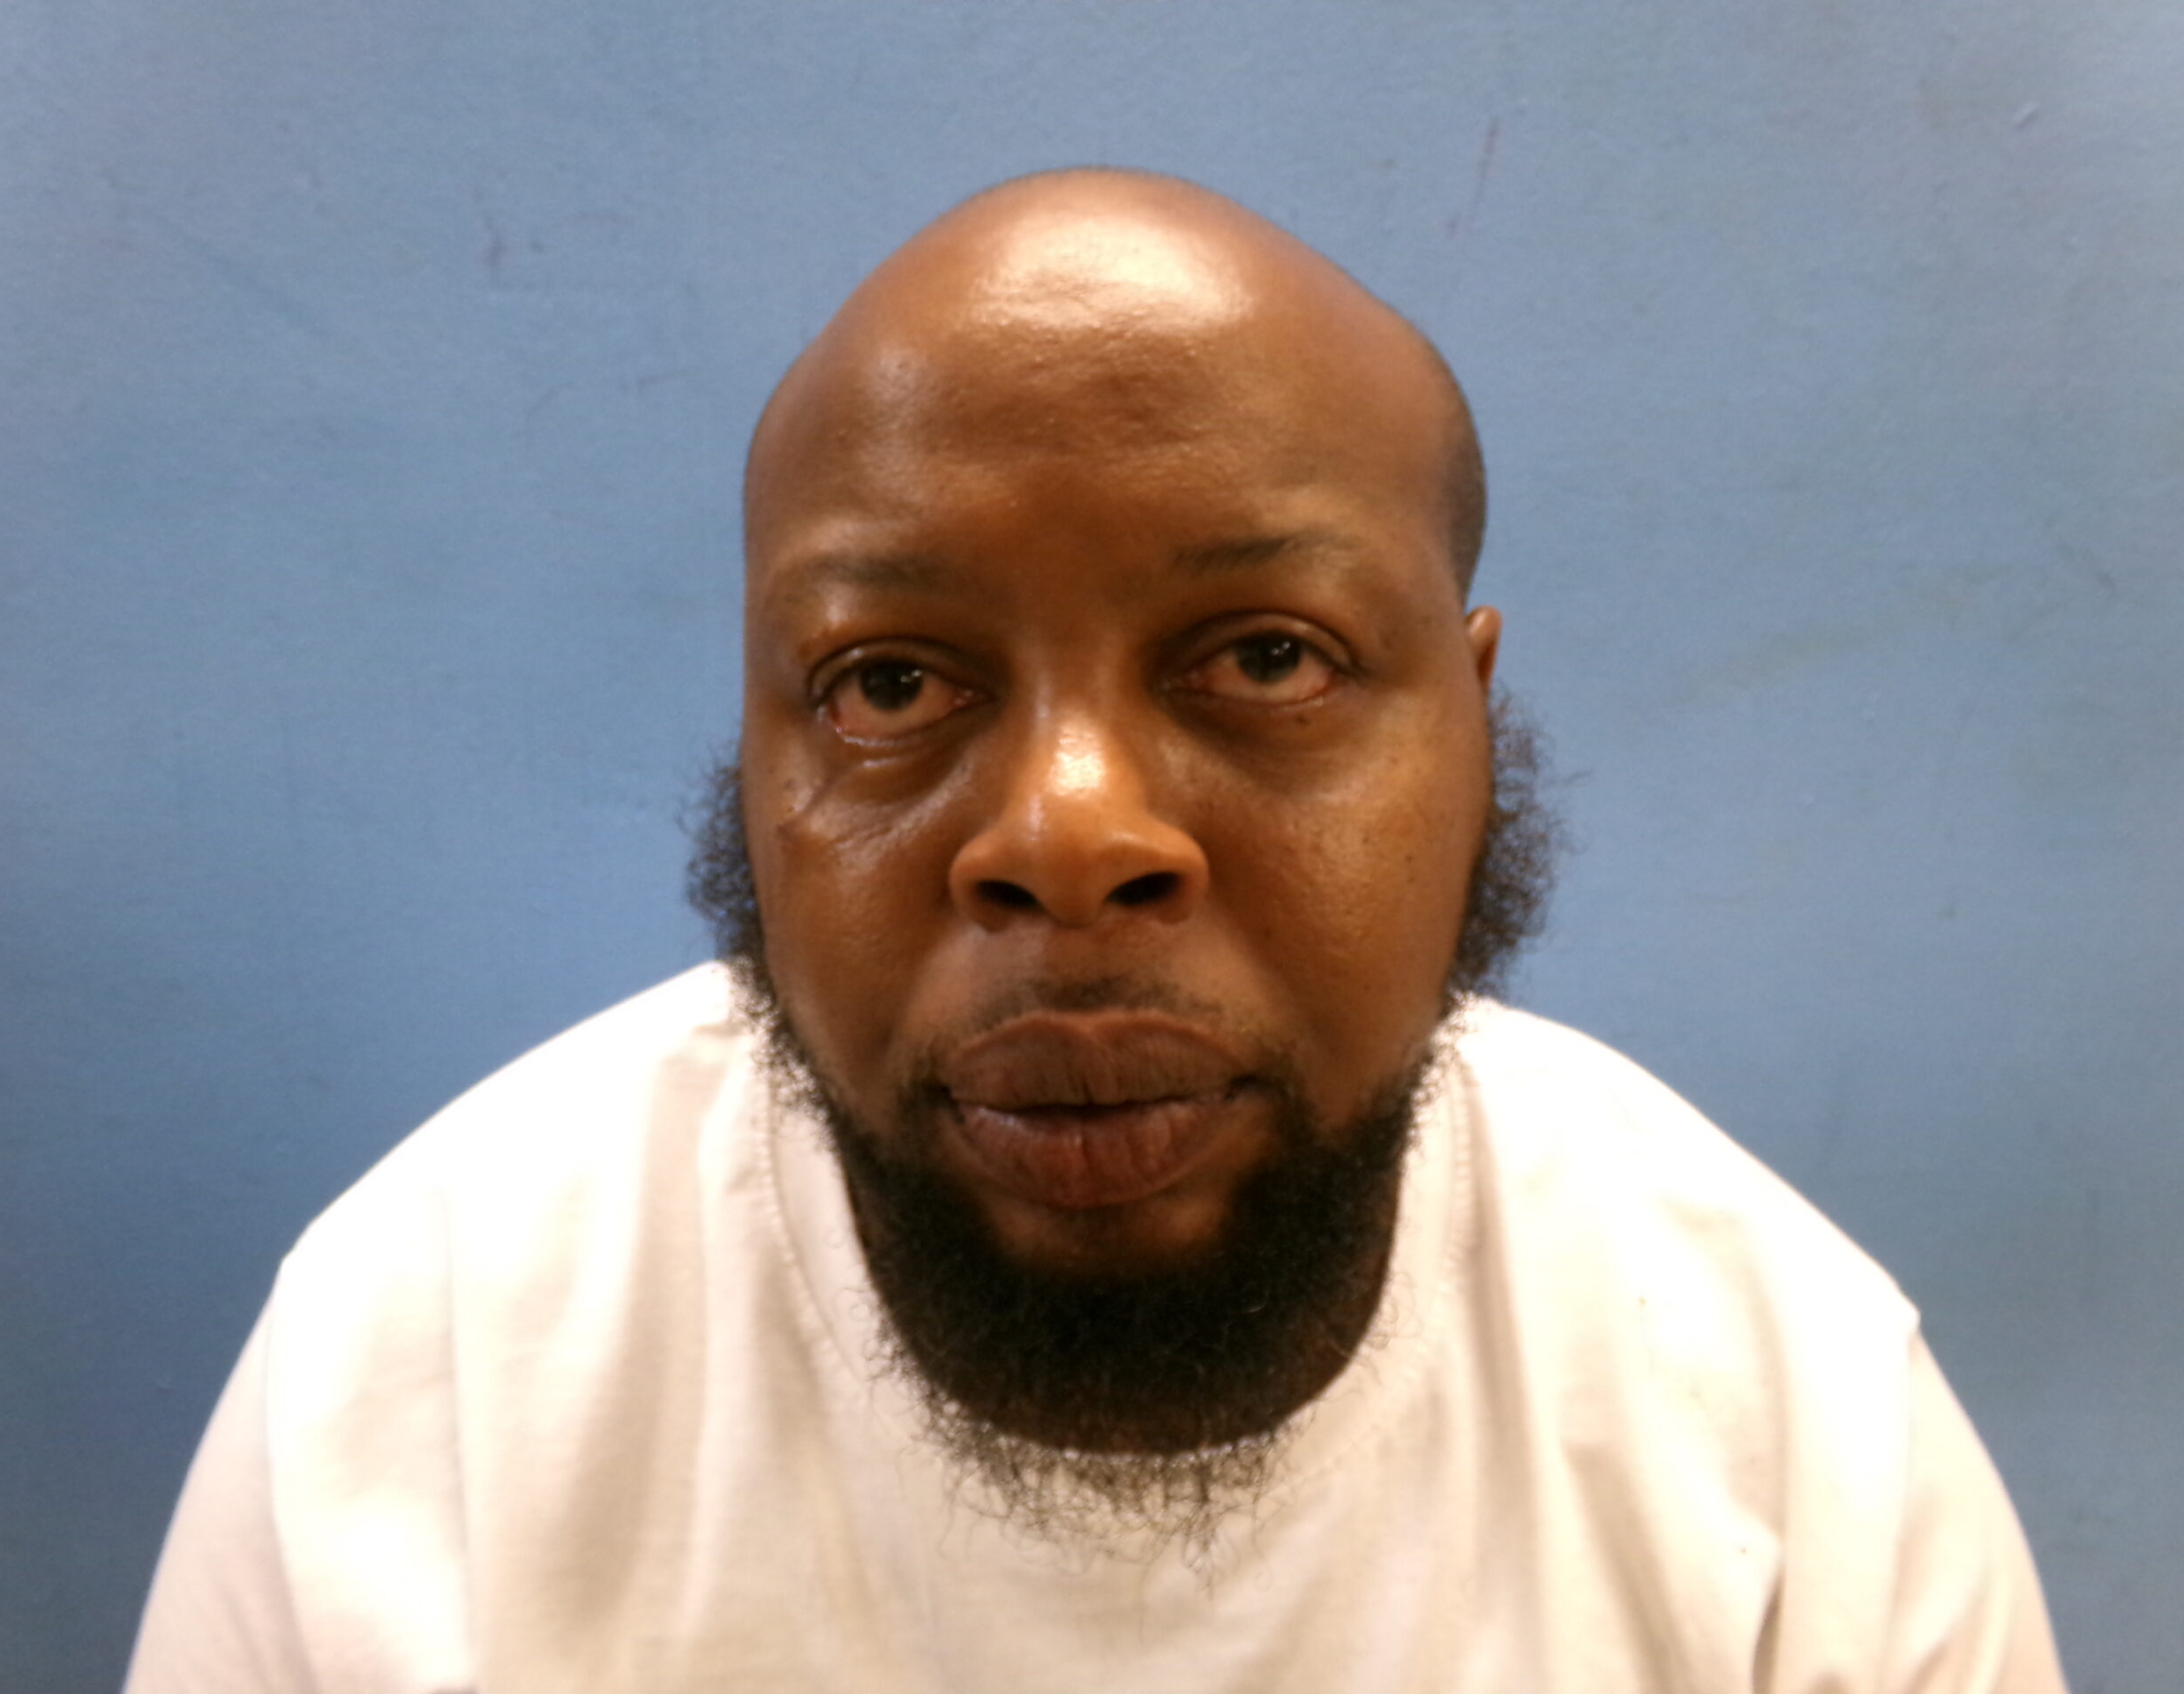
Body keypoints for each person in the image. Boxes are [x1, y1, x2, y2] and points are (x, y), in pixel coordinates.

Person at [127, 169, 2068, 1692]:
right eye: (890, 684)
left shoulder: (1792, 1433)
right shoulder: (415, 1381)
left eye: (1266, 658)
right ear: (752, 748)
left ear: (1473, 730)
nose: (1070, 840)